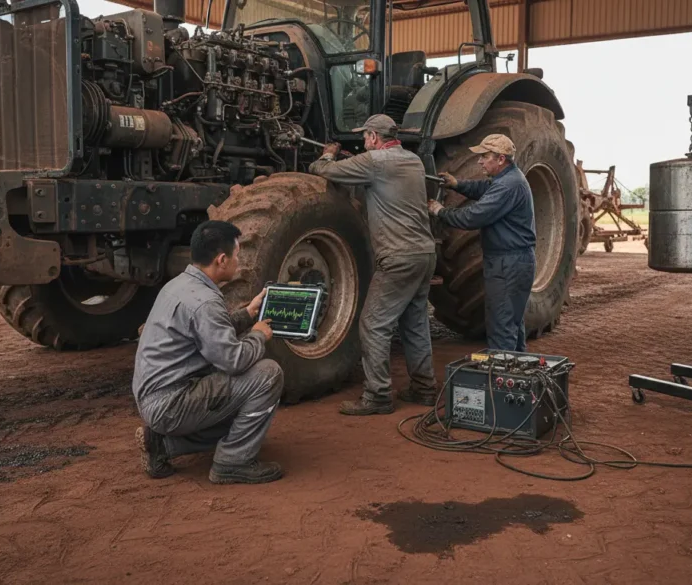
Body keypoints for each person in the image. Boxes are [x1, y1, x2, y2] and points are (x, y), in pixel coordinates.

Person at [132, 220, 285, 485]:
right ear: (222, 259)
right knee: (268, 375)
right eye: (237, 256)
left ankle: (162, 445)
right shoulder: (205, 302)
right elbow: (234, 360)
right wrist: (259, 335)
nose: (239, 261)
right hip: (170, 403)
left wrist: (248, 315)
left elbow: (208, 331)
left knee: (241, 412)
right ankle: (233, 463)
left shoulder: (180, 284)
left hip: (156, 398)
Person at [309, 114, 439, 413]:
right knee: (415, 322)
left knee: (373, 323)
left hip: (398, 258)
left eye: (366, 138)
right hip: (424, 255)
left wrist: (328, 155)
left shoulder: (375, 163)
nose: (364, 143)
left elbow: (324, 171)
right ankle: (424, 388)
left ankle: (378, 395)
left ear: (373, 138)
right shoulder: (412, 162)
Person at [428, 134, 536, 352]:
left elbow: (473, 217)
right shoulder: (508, 179)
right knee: (511, 323)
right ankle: (517, 373)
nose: (479, 161)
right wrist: (457, 184)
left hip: (508, 263)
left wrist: (441, 211)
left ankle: (502, 378)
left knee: (501, 325)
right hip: (514, 260)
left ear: (501, 159)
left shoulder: (507, 185)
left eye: (484, 156)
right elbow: (483, 189)